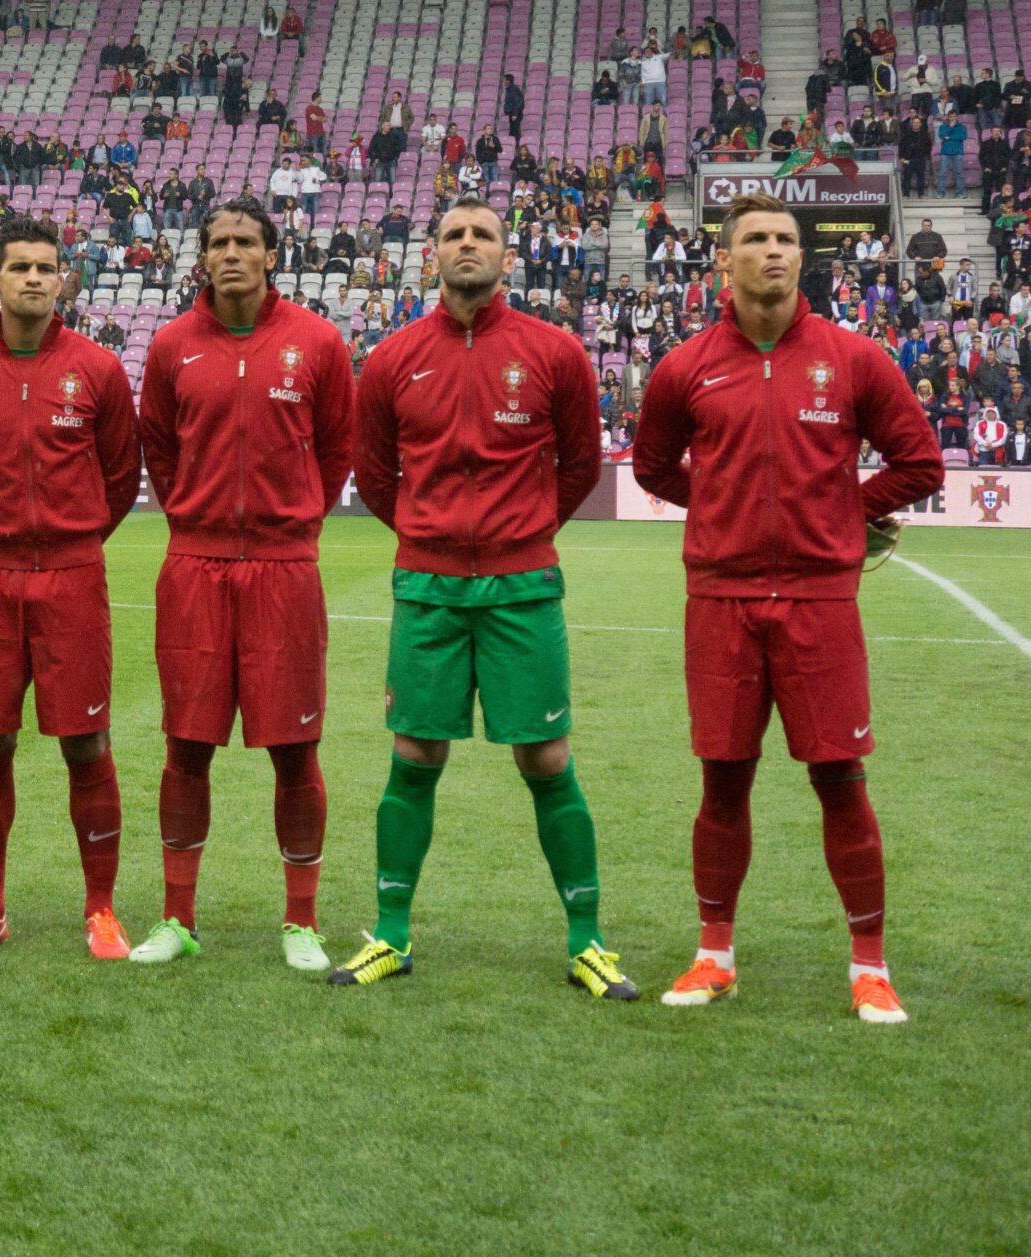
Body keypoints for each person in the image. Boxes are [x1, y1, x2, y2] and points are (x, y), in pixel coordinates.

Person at [632, 195, 943, 1025]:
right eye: (757, 240)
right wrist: (722, 506)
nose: (774, 251)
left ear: (802, 258)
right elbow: (654, 465)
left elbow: (920, 462)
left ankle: (870, 966)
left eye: (786, 240)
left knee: (842, 780)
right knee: (722, 782)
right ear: (723, 262)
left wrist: (843, 510)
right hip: (721, 599)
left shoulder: (854, 358)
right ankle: (713, 954)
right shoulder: (684, 366)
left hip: (819, 600)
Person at [337, 197, 628, 999]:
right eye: (454, 235)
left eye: (483, 235)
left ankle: (587, 939)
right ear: (431, 254)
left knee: (545, 755)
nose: (468, 244)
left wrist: (518, 531)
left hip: (522, 585)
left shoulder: (554, 352)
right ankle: (391, 934)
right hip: (426, 586)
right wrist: (434, 536)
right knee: (414, 753)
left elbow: (578, 466)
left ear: (508, 254)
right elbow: (374, 472)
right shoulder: (394, 358)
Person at [135, 198, 353, 972]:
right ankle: (177, 915)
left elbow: (335, 452)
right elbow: (160, 449)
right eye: (218, 241)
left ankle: (300, 921)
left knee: (295, 750)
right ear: (201, 256)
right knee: (185, 746)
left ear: (271, 254)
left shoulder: (318, 342)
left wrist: (285, 525)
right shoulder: (170, 346)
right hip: (193, 566)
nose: (232, 253)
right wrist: (199, 519)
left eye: (246, 242)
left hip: (283, 567)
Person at [0, 218, 139, 960]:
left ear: (63, 278)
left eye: (45, 266)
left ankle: (102, 909)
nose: (32, 278)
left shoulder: (100, 369)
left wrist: (69, 538)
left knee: (87, 740)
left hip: (72, 573)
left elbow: (119, 477)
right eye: (17, 266)